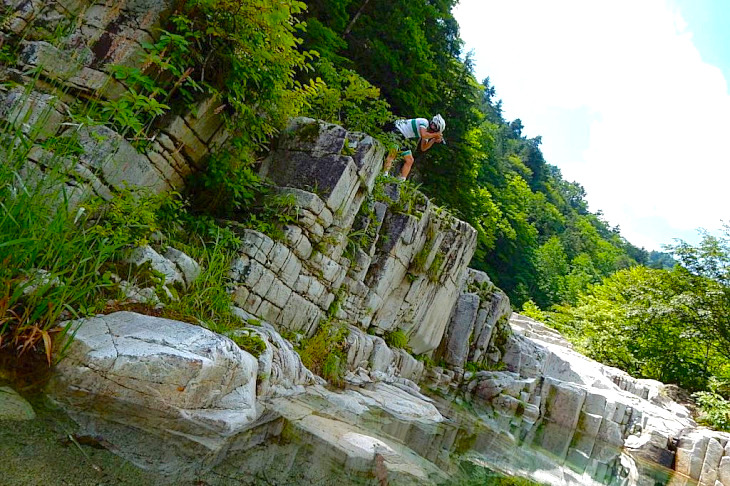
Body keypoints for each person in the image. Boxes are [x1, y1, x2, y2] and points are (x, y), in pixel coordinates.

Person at [383, 114, 445, 180]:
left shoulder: (428, 132)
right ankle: (384, 175)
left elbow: (423, 148)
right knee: (393, 153)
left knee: (410, 160)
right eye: (435, 128)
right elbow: (423, 135)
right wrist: (435, 135)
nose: (433, 130)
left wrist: (433, 140)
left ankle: (400, 183)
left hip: (403, 137)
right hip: (397, 130)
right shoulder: (424, 122)